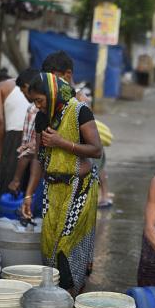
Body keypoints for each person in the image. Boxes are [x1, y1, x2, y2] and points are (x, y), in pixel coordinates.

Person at [20, 72, 103, 296]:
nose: (38, 106)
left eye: (40, 100)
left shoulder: (79, 112)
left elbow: (97, 150)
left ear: (52, 93)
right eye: (34, 102)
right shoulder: (42, 118)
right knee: (49, 247)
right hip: (52, 190)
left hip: (79, 189)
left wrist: (61, 142)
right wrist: (28, 195)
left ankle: (72, 301)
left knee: (68, 249)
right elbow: (39, 159)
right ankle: (58, 302)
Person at [42, 51, 114, 208]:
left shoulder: (80, 103)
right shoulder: (48, 103)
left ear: (68, 75)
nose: (51, 86)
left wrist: (60, 142)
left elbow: (94, 150)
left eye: (54, 79)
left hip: (77, 182)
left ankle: (104, 194)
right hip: (55, 182)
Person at [0, 73, 31, 194]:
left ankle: (8, 212)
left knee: (10, 184)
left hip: (15, 136)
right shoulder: (29, 81)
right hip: (36, 134)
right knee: (29, 183)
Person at [8, 68, 41, 194]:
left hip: (39, 172)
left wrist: (16, 180)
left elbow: (28, 151)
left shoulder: (33, 109)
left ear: (27, 86)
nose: (24, 96)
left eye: (23, 92)